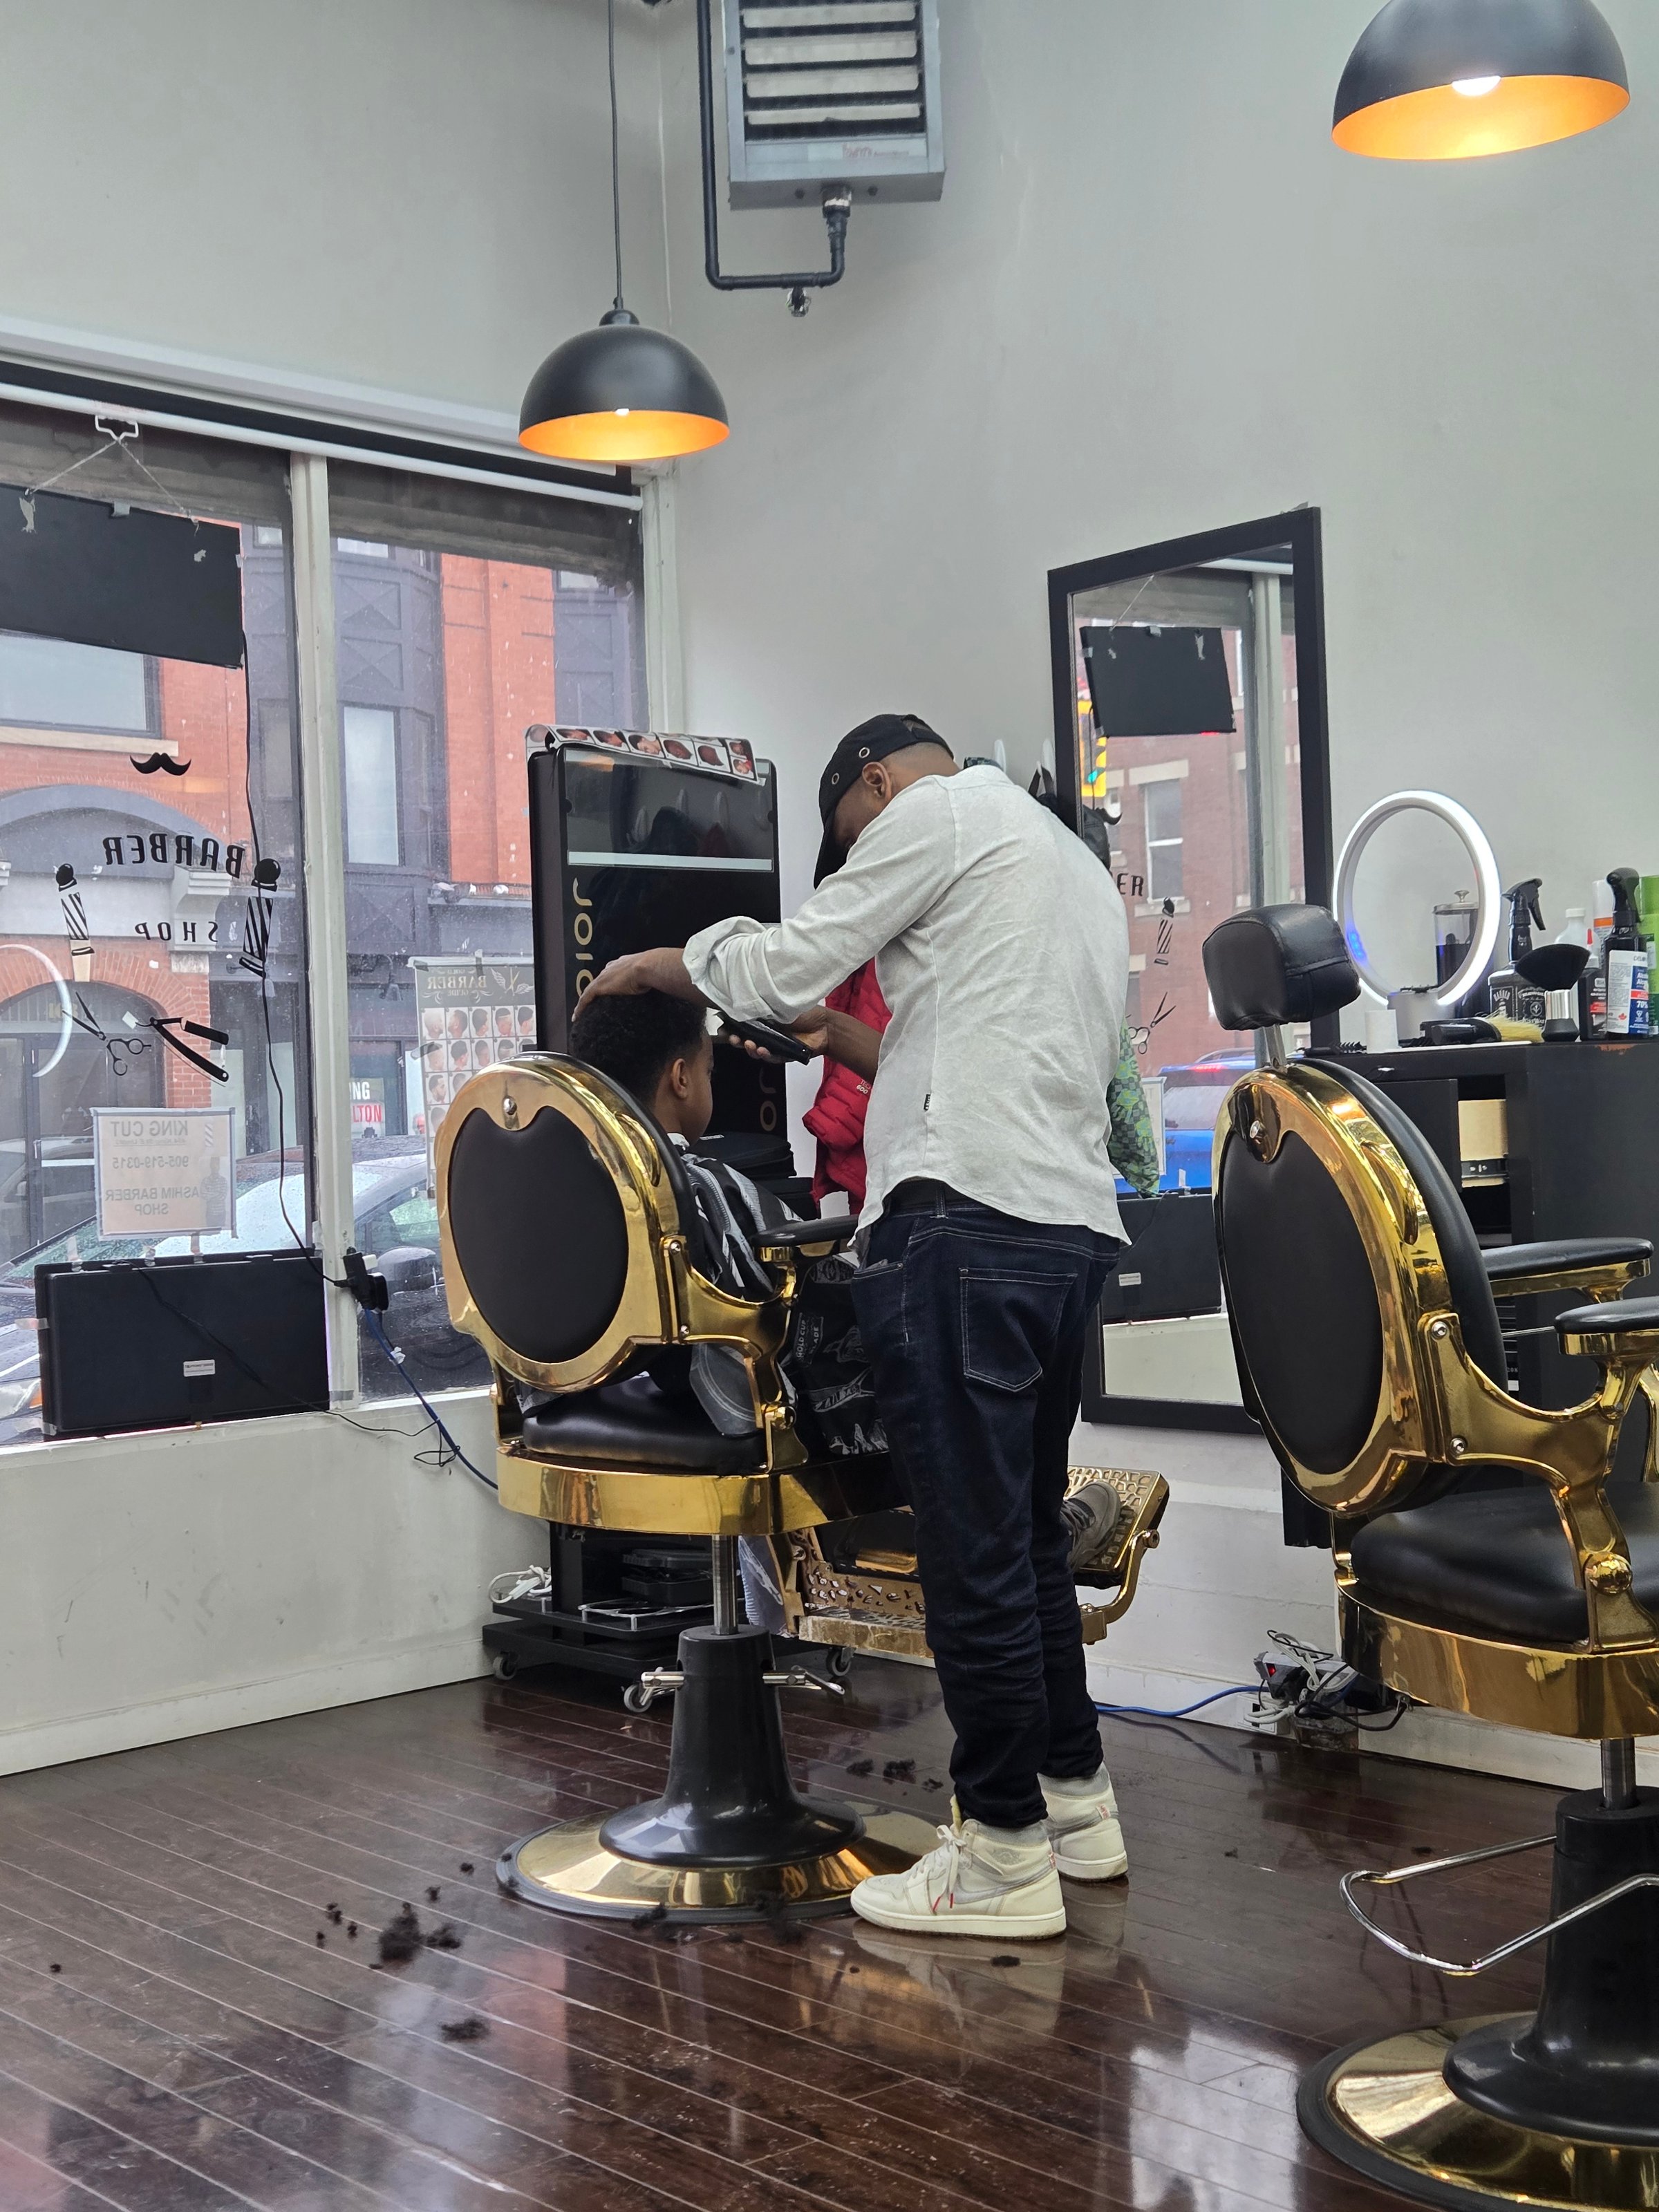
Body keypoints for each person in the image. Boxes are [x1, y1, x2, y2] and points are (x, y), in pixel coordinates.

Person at [576, 713, 1132, 1942]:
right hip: (1063, 1232)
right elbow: (972, 1049)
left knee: (973, 1558)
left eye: (850, 838)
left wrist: (666, 964)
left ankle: (996, 1856)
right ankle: (1074, 1802)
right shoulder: (1066, 864)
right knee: (1027, 1543)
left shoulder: (933, 814)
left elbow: (775, 967)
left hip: (965, 1229)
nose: (858, 863)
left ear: (877, 784)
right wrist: (837, 1039)